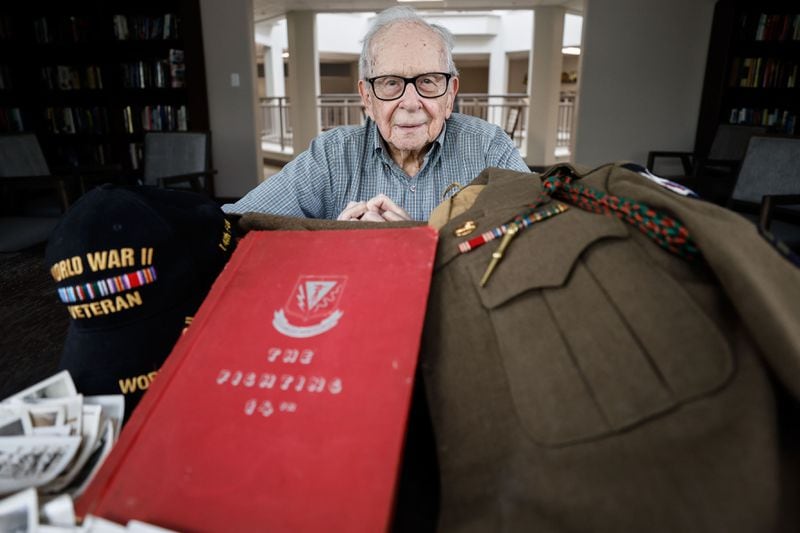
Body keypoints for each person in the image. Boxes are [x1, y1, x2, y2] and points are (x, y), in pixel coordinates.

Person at [222, 6, 529, 222]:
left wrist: (415, 241)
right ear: (367, 98)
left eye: (428, 81)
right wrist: (331, 242)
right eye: (391, 83)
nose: (411, 102)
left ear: (450, 94)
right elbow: (237, 224)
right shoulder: (331, 156)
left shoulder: (490, 148)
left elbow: (537, 236)